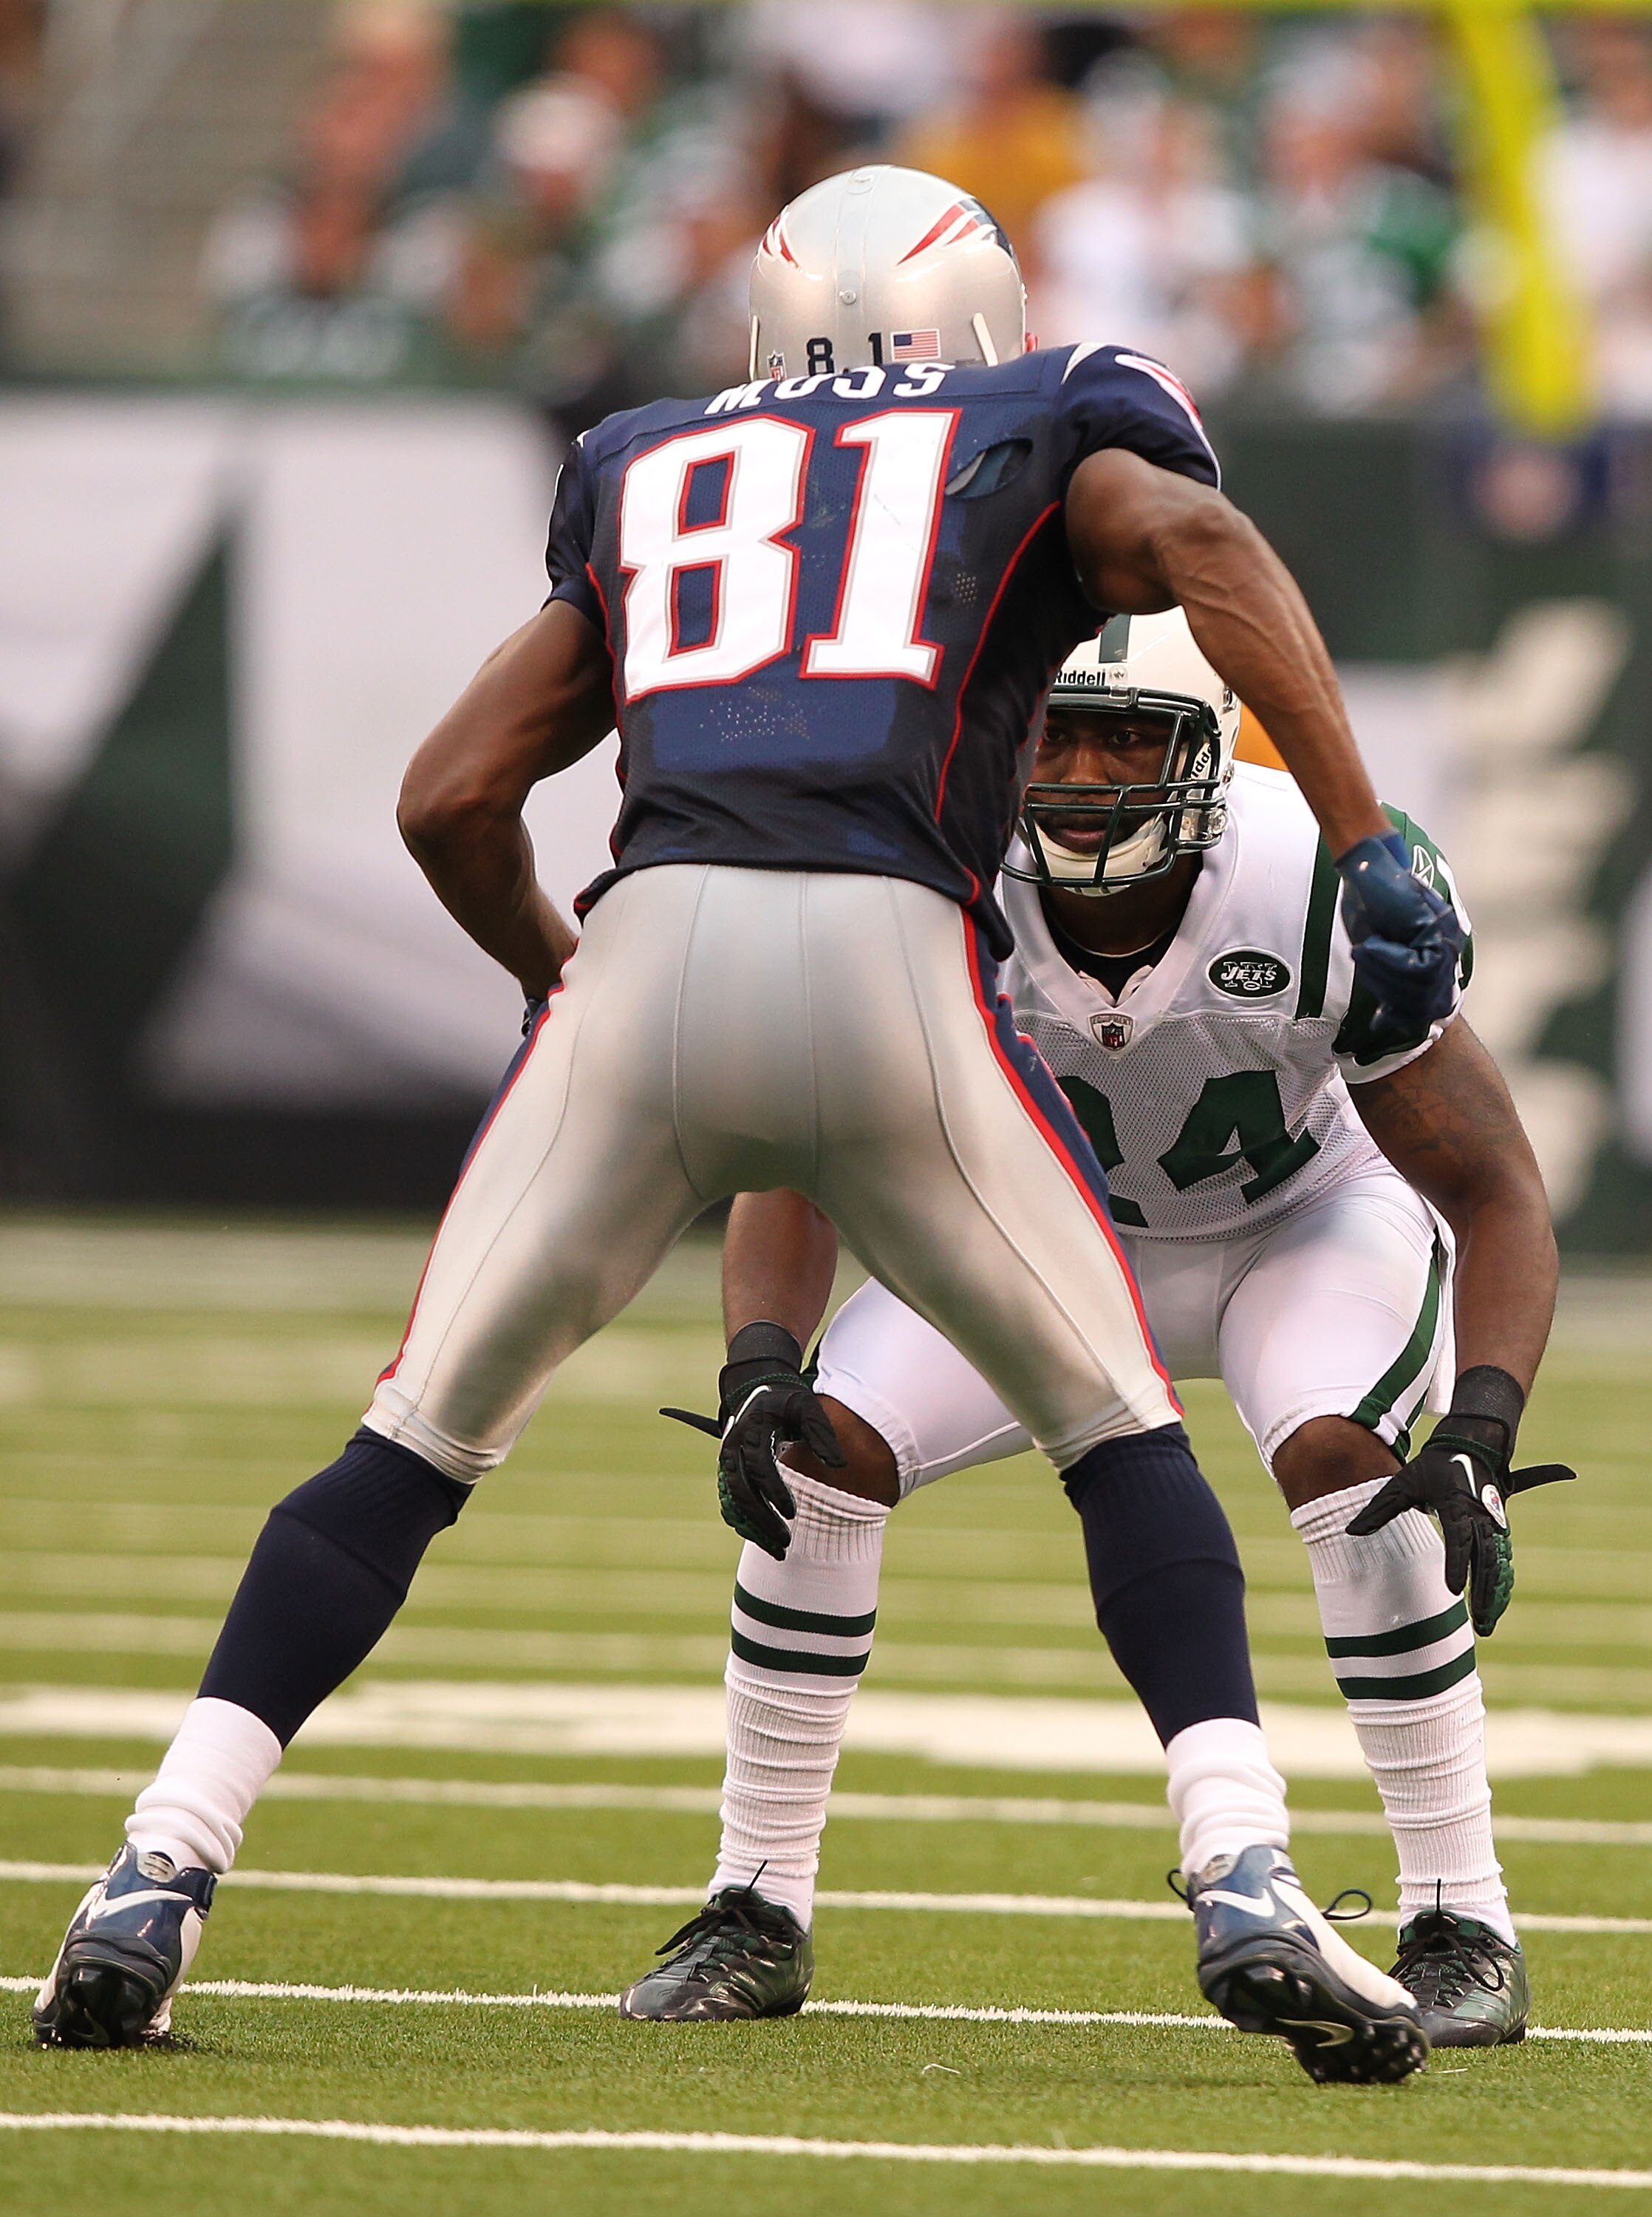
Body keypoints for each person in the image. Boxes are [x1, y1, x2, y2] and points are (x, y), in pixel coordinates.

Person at [33, 165, 1460, 2084]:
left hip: (645, 946)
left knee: (404, 1453)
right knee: (1122, 1440)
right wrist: (1360, 829)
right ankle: (1242, 1873)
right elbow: (1198, 539)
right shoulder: (1046, 414)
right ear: (981, 324)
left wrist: (561, 986)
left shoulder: (644, 459)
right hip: (887, 946)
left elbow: (449, 795)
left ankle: (153, 1868)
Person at [621, 613, 1572, 2047]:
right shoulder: (928, 872)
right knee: (818, 1455)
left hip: (1298, 1229)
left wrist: (1483, 1429)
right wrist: (759, 1365)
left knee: (1352, 1468)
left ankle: (1458, 1916)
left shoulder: (1308, 877)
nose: (1084, 772)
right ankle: (756, 1904)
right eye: (1055, 732)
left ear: (1210, 752)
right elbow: (801, 1141)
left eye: (1130, 735)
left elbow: (1492, 1186)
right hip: (1036, 1240)